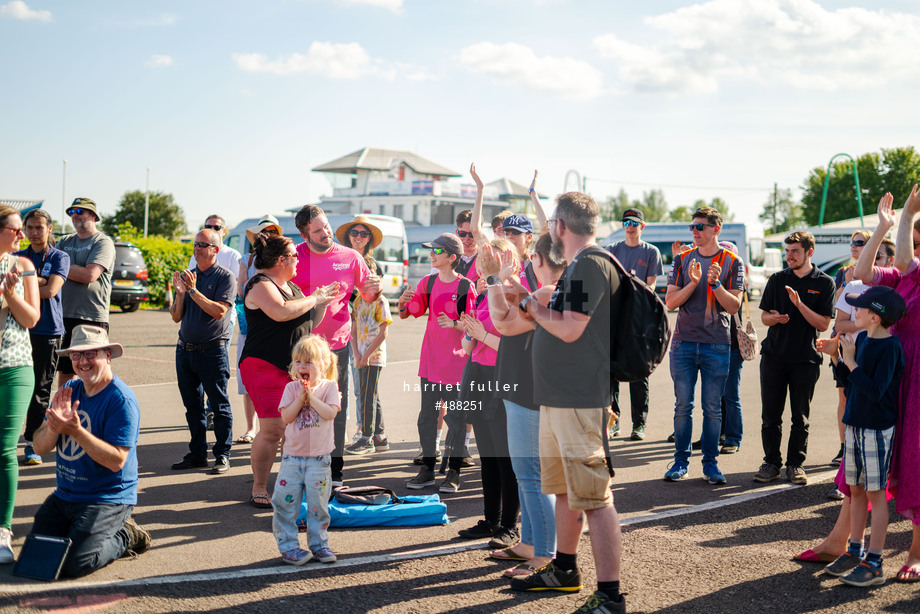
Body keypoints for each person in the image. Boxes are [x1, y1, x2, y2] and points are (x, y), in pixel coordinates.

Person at [511, 192, 625, 613]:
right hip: (560, 399)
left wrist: (531, 306)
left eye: (551, 223)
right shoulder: (581, 265)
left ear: (561, 225)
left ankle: (610, 596)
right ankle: (564, 569)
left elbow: (571, 329)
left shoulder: (589, 265)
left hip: (579, 400)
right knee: (562, 491)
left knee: (595, 498)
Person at [801, 188, 920, 581]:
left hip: (909, 378)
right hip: (883, 378)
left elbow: (899, 257)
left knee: (910, 461)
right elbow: (864, 272)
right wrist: (888, 223)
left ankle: (906, 553)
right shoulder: (902, 277)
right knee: (861, 477)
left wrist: (904, 217)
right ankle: (846, 543)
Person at [28, 325, 150, 577]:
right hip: (66, 496)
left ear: (107, 355)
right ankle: (85, 531)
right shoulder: (68, 391)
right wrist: (55, 427)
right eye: (76, 355)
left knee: (74, 565)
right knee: (38, 557)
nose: (83, 361)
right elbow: (39, 447)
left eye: (91, 353)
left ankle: (127, 534)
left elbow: (117, 461)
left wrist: (75, 431)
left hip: (107, 499)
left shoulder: (121, 399)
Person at [484, 232, 566, 579]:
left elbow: (502, 323)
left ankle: (544, 553)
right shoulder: (551, 291)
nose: (529, 260)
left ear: (542, 260)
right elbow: (520, 300)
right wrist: (505, 279)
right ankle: (531, 544)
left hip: (529, 394)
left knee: (532, 477)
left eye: (533, 256)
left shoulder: (550, 291)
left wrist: (491, 279)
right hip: (527, 391)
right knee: (527, 475)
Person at [240, 233, 336, 508]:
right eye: (295, 255)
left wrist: (321, 304)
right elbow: (281, 312)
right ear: (280, 260)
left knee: (291, 428)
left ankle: (289, 483)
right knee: (273, 429)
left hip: (292, 368)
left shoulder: (291, 287)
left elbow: (308, 323)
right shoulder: (259, 284)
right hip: (264, 365)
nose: (298, 259)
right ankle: (259, 487)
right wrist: (314, 297)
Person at [817, 286, 905, 587]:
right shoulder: (864, 339)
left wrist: (851, 360)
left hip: (877, 429)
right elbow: (850, 383)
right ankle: (855, 550)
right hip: (855, 423)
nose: (856, 312)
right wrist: (837, 359)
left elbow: (876, 391)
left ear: (875, 315)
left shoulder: (891, 347)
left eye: (861, 308)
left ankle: (876, 562)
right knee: (854, 490)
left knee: (875, 494)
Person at [291, 205, 381, 487]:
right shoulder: (294, 256)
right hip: (303, 347)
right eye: (318, 231)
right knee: (301, 407)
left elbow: (367, 294)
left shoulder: (350, 257)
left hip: (336, 347)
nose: (326, 233)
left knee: (334, 407)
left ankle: (336, 469)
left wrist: (374, 288)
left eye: (327, 227)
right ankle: (301, 466)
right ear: (305, 234)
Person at [663, 207, 743, 484]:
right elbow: (671, 302)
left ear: (716, 230)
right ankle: (680, 462)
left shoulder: (732, 261)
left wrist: (715, 284)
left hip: (717, 344)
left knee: (712, 408)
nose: (695, 231)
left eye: (701, 227)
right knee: (683, 406)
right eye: (692, 227)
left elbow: (734, 306)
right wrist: (693, 284)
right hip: (683, 343)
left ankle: (710, 464)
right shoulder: (682, 259)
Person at [451, 241, 519, 552]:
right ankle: (490, 519)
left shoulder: (514, 295)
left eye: (486, 262)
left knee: (506, 457)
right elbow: (468, 349)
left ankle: (510, 526)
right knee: (488, 456)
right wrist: (468, 332)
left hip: (501, 379)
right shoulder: (481, 295)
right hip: (477, 376)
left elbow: (512, 348)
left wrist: (481, 335)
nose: (480, 267)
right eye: (480, 262)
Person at [753, 230, 834, 485]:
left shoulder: (824, 282)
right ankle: (771, 463)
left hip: (805, 359)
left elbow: (822, 324)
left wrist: (799, 305)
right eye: (787, 251)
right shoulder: (777, 279)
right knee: (770, 415)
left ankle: (795, 465)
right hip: (774, 356)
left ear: (809, 252)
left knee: (800, 416)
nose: (789, 256)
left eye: (795, 251)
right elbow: (764, 317)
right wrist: (773, 319)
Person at [397, 233, 475, 490]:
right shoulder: (428, 282)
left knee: (456, 419)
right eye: (432, 250)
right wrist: (402, 305)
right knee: (427, 418)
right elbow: (414, 311)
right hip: (430, 363)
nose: (432, 254)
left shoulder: (465, 287)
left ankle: (453, 472)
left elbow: (472, 325)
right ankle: (428, 469)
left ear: (452, 258)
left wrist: (454, 323)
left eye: (437, 251)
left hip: (456, 365)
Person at [169, 229, 237, 474]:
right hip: (185, 351)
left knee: (218, 406)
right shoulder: (190, 277)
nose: (196, 248)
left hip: (212, 352)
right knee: (193, 408)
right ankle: (197, 454)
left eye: (202, 244)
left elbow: (219, 311)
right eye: (195, 244)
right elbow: (176, 317)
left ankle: (222, 455)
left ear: (215, 250)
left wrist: (193, 292)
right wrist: (180, 294)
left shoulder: (225, 277)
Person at [272, 335, 341, 565]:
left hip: (319, 462)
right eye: (299, 362)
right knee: (284, 504)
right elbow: (286, 417)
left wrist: (311, 397)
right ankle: (289, 547)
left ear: (323, 365)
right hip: (292, 460)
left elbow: (330, 413)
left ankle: (319, 545)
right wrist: (300, 399)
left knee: (318, 506)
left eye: (309, 362)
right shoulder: (291, 388)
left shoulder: (329, 387)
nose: (303, 366)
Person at [0, 205, 40, 564]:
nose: (22, 236)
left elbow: (31, 318)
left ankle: (3, 529)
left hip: (14, 367)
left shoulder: (24, 266)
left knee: (4, 448)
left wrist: (10, 295)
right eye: (16, 230)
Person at [15, 209, 70, 465]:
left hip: (47, 331)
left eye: (39, 227)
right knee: (16, 386)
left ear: (49, 229)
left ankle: (32, 444)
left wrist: (27, 280)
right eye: (30, 228)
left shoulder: (60, 257)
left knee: (40, 389)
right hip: (19, 329)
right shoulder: (17, 255)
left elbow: (51, 290)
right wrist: (37, 279)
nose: (35, 232)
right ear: (24, 230)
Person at [606, 207, 663, 441]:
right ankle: (613, 422)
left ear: (642, 226)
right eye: (626, 222)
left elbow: (650, 288)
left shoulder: (651, 252)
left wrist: (632, 289)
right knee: (611, 374)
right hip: (614, 320)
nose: (629, 226)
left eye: (634, 222)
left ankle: (639, 424)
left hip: (639, 322)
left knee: (639, 374)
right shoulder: (612, 250)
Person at [336, 215, 388, 451]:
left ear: (369, 239)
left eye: (363, 234)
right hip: (343, 324)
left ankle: (365, 432)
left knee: (363, 388)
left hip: (363, 330)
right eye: (354, 233)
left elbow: (372, 298)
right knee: (359, 387)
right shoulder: (340, 259)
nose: (358, 237)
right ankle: (376, 434)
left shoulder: (373, 265)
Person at [189, 215, 242, 432]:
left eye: (216, 227)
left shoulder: (232, 255)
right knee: (197, 368)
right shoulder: (196, 254)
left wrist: (196, 293)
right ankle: (201, 413)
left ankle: (213, 411)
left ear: (224, 230)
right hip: (197, 318)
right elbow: (192, 280)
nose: (212, 228)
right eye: (208, 226)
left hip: (222, 320)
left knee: (215, 369)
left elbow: (230, 291)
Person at [55, 198, 115, 388]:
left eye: (80, 211)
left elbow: (89, 275)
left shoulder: (102, 242)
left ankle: (95, 414)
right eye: (72, 212)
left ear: (93, 216)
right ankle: (67, 413)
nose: (75, 216)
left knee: (94, 370)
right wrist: (69, 269)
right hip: (63, 315)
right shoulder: (64, 241)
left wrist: (61, 267)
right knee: (66, 371)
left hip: (91, 316)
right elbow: (49, 269)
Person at [234, 215, 284, 444]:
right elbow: (241, 290)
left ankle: (276, 426)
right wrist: (262, 285)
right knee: (248, 377)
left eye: (273, 231)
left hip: (276, 323)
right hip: (253, 322)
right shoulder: (247, 259)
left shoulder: (283, 259)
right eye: (265, 231)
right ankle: (251, 427)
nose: (269, 234)